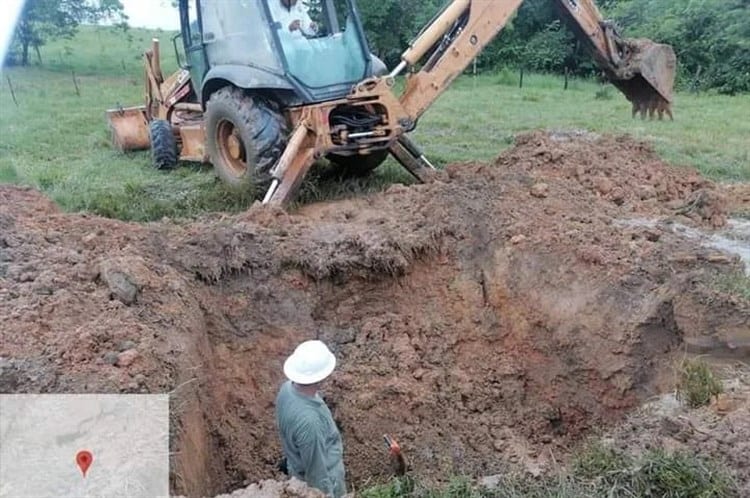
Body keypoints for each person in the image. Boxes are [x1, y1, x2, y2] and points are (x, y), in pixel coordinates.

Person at [275, 340, 346, 497]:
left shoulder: (287, 389)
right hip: (327, 476)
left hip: (296, 465)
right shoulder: (309, 423)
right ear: (320, 376)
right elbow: (317, 476)